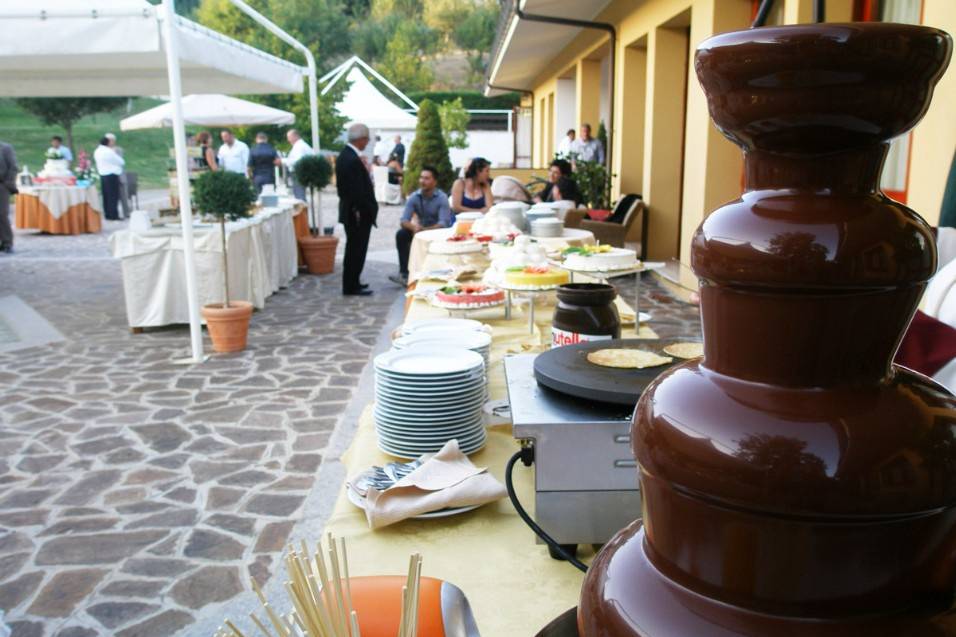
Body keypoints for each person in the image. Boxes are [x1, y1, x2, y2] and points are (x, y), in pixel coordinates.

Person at [390, 166, 452, 287]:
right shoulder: (414, 197)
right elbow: (404, 220)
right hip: (419, 230)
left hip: (438, 232)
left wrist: (422, 231)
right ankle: (404, 273)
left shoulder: (442, 198)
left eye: (427, 178)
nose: (422, 181)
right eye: (421, 178)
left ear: (435, 182)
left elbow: (443, 223)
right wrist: (414, 228)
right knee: (401, 234)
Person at [336, 123, 378, 296]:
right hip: (356, 213)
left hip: (354, 211)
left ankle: (354, 282)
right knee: (356, 250)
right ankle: (351, 285)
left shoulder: (347, 156)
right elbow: (355, 191)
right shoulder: (351, 159)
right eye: (367, 139)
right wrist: (362, 210)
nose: (367, 143)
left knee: (356, 249)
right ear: (361, 139)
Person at [94, 136, 124, 221]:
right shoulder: (109, 151)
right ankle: (114, 214)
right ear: (108, 143)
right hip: (112, 174)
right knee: (113, 196)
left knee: (106, 196)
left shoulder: (97, 151)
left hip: (103, 174)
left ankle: (107, 214)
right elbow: (121, 161)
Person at [282, 129, 314, 200]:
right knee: (299, 194)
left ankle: (303, 210)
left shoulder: (299, 146)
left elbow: (297, 161)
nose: (288, 140)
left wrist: (283, 161)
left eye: (289, 137)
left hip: (298, 173)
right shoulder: (301, 145)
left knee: (299, 196)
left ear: (295, 136)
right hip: (301, 173)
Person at [106, 133, 131, 218]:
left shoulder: (118, 149)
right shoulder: (104, 151)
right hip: (109, 175)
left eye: (111, 140)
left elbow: (119, 161)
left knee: (123, 195)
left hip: (119, 175)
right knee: (111, 196)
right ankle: (113, 213)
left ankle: (126, 212)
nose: (110, 142)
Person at [0, 141, 18, 253]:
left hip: (1, 185)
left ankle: (7, 242)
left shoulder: (5, 148)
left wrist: (7, 183)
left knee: (2, 215)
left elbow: (13, 167)